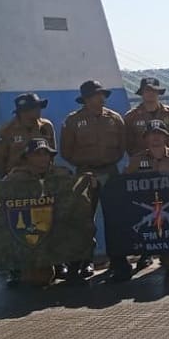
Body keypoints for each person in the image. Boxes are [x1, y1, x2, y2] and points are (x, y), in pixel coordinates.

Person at [60, 79, 129, 282]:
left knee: (115, 218)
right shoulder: (72, 121)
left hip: (110, 171)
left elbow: (121, 147)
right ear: (86, 100)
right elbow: (66, 151)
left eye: (102, 95)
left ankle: (118, 260)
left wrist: (107, 163)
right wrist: (86, 166)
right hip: (84, 174)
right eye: (95, 96)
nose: (100, 99)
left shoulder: (115, 119)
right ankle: (81, 262)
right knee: (83, 220)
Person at [1, 138, 78, 288]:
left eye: (46, 154)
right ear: (27, 157)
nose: (43, 158)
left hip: (55, 222)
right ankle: (16, 269)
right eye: (37, 154)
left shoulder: (62, 174)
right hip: (28, 224)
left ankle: (67, 266)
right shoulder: (15, 177)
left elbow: (76, 196)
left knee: (77, 227)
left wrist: (90, 183)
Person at [124, 121, 169, 277]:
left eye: (159, 134)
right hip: (147, 212)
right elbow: (124, 185)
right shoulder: (136, 160)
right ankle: (146, 255)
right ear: (145, 138)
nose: (155, 138)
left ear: (166, 137)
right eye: (152, 134)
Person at [0, 92, 56, 178]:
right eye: (35, 107)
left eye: (39, 106)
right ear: (24, 112)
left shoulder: (47, 126)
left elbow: (52, 152)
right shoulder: (6, 131)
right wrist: (8, 177)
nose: (39, 109)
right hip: (17, 177)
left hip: (43, 173)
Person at [123, 77, 169, 156]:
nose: (151, 93)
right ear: (142, 92)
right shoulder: (131, 116)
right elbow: (128, 144)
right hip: (142, 161)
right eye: (147, 90)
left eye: (154, 90)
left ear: (158, 92)